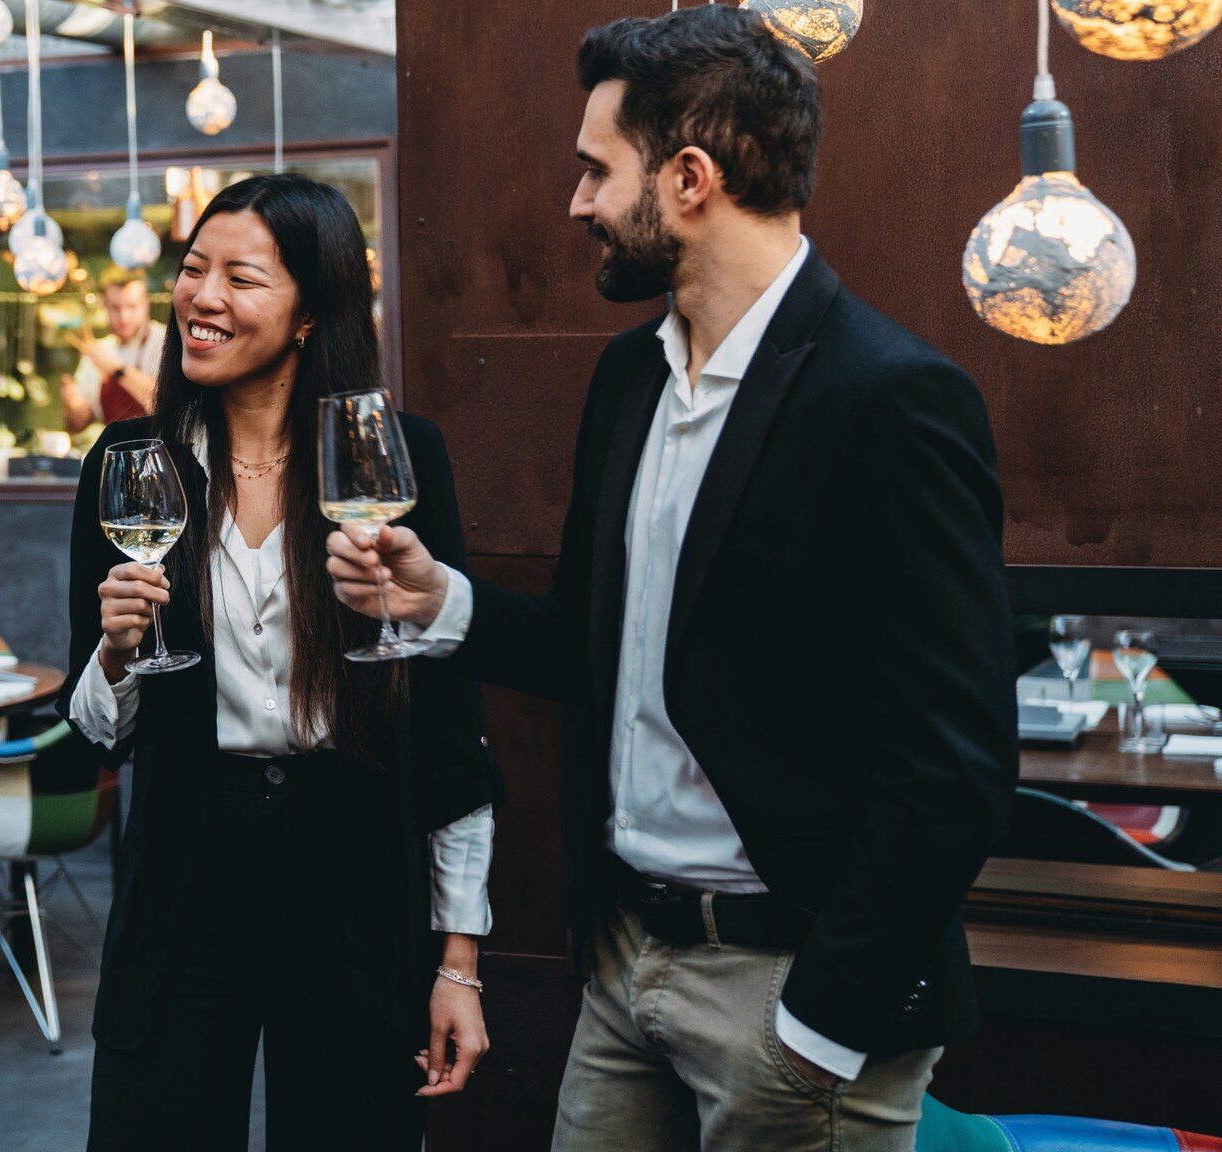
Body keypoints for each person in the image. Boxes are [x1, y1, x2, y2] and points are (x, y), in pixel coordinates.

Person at [324, 9, 1017, 1151]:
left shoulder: (891, 399)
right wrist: (436, 601)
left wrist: (820, 1026)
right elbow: (596, 647)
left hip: (789, 994)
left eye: (596, 169)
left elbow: (953, 765)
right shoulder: (626, 382)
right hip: (620, 966)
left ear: (688, 179)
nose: (576, 202)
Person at [60, 173, 504, 1152]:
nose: (200, 298)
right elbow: (94, 726)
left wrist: (456, 960)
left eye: (240, 278)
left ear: (311, 313)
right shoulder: (131, 463)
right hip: (185, 869)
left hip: (348, 864)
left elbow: (447, 727)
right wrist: (117, 650)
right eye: (191, 270)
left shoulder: (391, 459)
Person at [61, 265, 167, 432]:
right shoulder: (99, 351)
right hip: (114, 454)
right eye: (115, 308)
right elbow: (77, 425)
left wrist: (117, 369)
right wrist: (72, 405)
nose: (124, 317)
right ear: (105, 306)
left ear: (146, 304)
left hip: (158, 451)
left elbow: (166, 406)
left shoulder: (165, 342)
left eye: (132, 307)